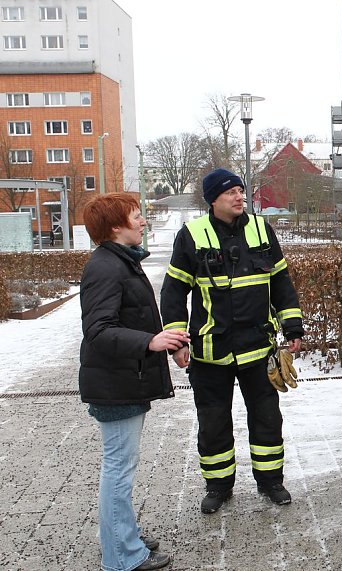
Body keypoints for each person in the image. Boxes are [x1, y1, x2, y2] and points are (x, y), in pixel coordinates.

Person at [160, 168, 304, 514]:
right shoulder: (191, 235)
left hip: (259, 348)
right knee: (213, 423)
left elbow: (281, 281)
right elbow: (173, 291)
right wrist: (179, 341)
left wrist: (293, 326)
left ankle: (271, 481)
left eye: (241, 190)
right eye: (230, 192)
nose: (239, 197)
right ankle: (218, 486)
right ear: (213, 199)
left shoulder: (260, 229)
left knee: (267, 418)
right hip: (212, 352)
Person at [79, 193, 188, 571]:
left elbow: (133, 317)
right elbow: (99, 330)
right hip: (115, 383)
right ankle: (122, 556)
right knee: (118, 468)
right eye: (137, 216)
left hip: (124, 379)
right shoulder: (107, 267)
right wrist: (150, 342)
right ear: (115, 227)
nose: (143, 222)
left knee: (120, 466)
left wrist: (166, 343)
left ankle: (119, 536)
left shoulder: (120, 261)